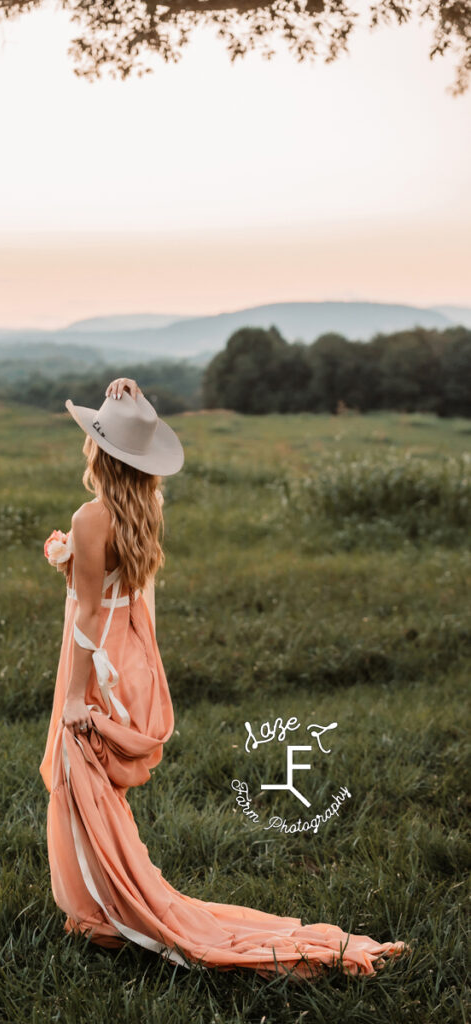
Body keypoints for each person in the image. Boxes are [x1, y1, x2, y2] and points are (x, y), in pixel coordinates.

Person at [39, 376, 409, 979]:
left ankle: (107, 908)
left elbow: (85, 611)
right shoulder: (147, 508)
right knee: (104, 788)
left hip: (98, 657)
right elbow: (120, 585)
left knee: (82, 781)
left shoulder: (90, 516)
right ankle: (109, 891)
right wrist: (127, 402)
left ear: (97, 451)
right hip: (132, 654)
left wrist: (78, 697)